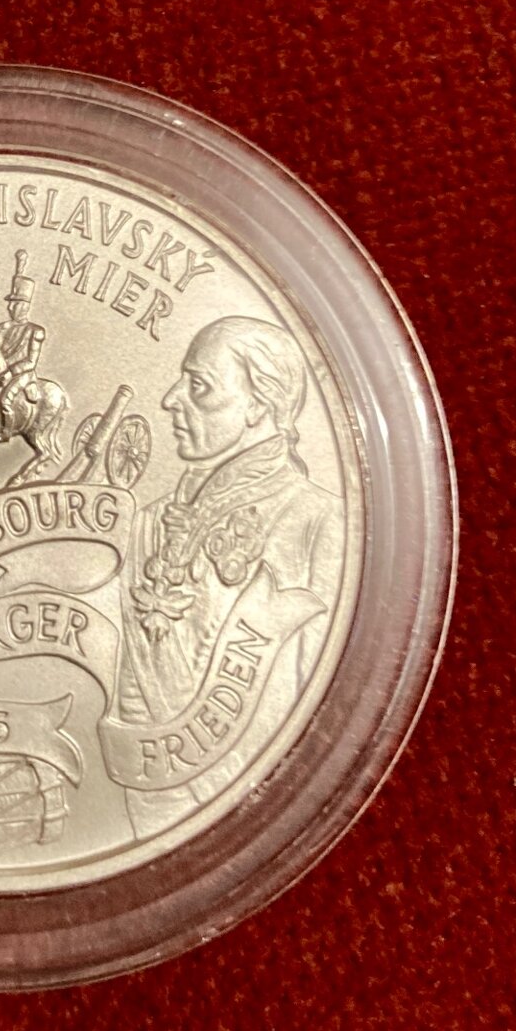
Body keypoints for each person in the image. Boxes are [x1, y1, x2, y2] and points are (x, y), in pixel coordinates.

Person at [116, 315, 343, 837]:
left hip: (259, 815)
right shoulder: (146, 523)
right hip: (140, 799)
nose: (171, 399)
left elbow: (321, 712)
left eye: (199, 386)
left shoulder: (319, 522)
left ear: (259, 406)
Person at [0, 250, 46, 440]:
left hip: (22, 375)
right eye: (10, 303)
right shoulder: (3, 327)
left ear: (26, 306)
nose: (10, 307)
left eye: (16, 303)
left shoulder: (35, 331)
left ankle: (6, 432)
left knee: (4, 400)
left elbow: (30, 362)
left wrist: (9, 372)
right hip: (0, 371)